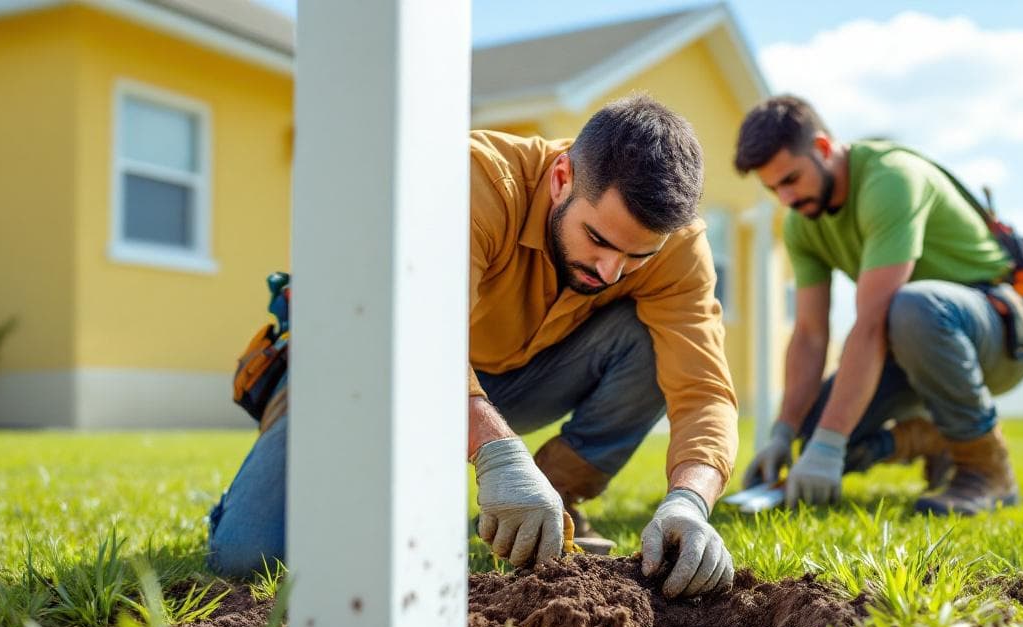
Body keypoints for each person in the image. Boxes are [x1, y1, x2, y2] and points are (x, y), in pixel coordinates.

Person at [208, 95, 738, 598]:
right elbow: (415, 340)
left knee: (650, 340)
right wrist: (499, 453)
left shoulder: (678, 247)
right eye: (598, 239)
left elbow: (704, 390)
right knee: (247, 556)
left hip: (512, 379)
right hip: (368, 365)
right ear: (561, 179)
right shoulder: (469, 180)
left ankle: (549, 500)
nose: (610, 271)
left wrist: (689, 502)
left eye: (636, 256)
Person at [734, 95, 1023, 515]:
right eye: (772, 189)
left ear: (823, 149)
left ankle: (986, 470)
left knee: (911, 307)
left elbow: (872, 323)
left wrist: (830, 444)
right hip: (905, 344)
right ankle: (933, 436)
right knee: (815, 429)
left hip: (995, 334)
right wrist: (784, 434)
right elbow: (809, 335)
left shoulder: (890, 180)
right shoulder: (802, 222)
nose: (785, 199)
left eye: (791, 179)